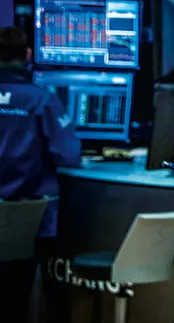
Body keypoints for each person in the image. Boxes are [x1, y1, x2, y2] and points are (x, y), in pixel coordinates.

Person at [0, 27, 81, 322]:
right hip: (30, 222)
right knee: (22, 295)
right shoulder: (41, 99)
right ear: (28, 55)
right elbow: (69, 156)